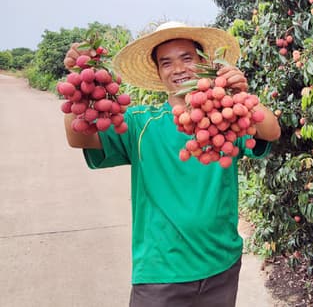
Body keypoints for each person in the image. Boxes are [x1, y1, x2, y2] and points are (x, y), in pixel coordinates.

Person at [62, 21, 281, 307]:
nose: (177, 68)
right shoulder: (140, 123)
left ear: (204, 62)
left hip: (222, 264)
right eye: (166, 62)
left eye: (187, 58)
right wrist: (78, 84)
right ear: (158, 72)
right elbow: (79, 137)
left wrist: (240, 94)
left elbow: (271, 131)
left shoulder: (225, 119)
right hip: (160, 273)